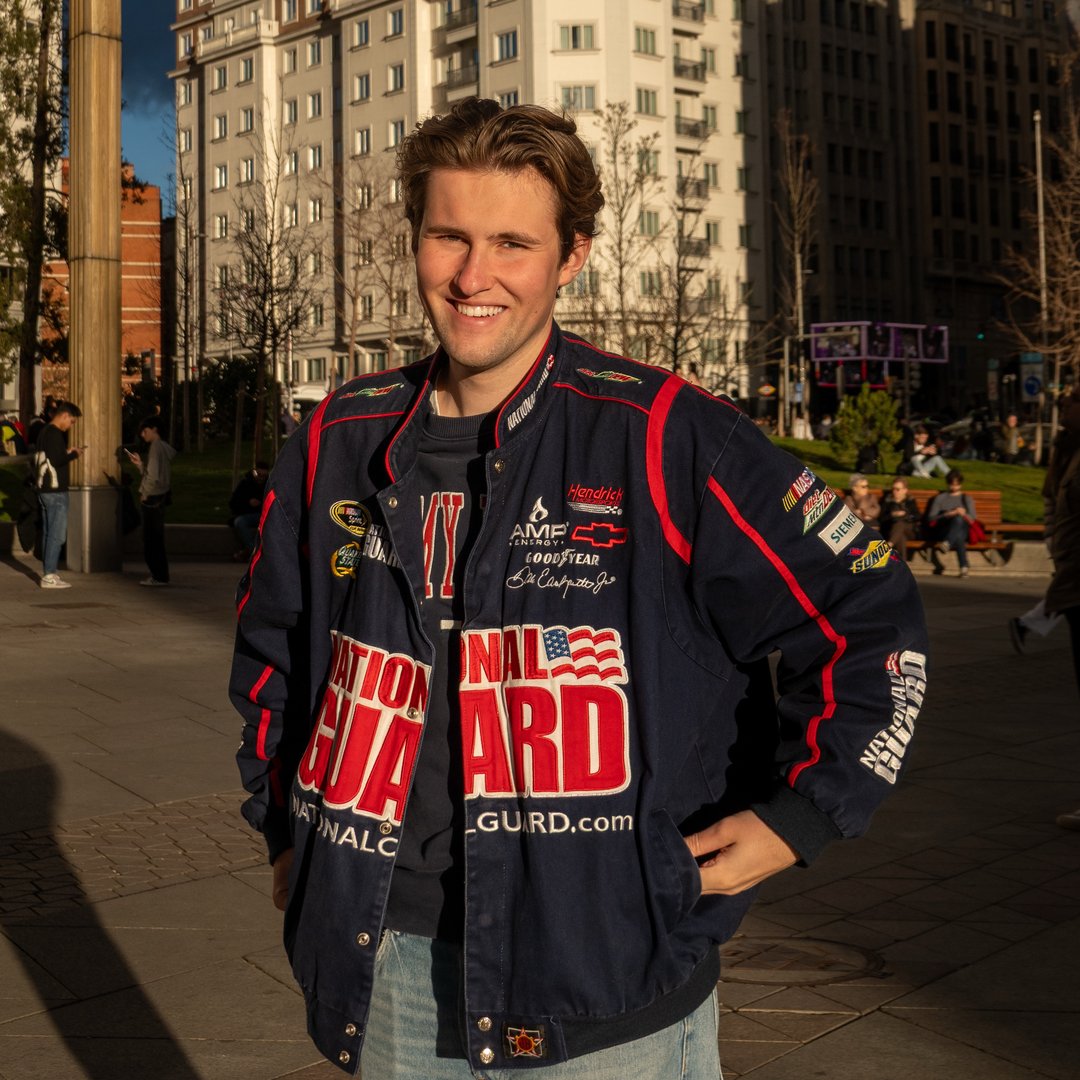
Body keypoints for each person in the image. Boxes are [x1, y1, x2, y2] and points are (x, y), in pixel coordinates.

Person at [229, 97, 928, 1079]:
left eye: (512, 244)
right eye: (449, 236)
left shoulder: (668, 435)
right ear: (415, 239)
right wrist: (285, 832)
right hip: (385, 972)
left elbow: (868, 609)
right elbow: (273, 656)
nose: (473, 276)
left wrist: (803, 814)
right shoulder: (337, 440)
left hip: (604, 991)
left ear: (572, 257)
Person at [32, 401, 84, 589]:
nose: (70, 425)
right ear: (64, 416)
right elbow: (57, 460)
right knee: (57, 535)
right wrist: (74, 454)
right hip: (55, 490)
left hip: (44, 489)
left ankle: (49, 572)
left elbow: (50, 456)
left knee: (49, 533)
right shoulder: (55, 433)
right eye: (72, 421)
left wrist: (65, 452)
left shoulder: (44, 431)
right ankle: (49, 575)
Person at [126, 415, 176, 586]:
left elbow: (153, 476)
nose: (142, 435)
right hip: (160, 496)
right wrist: (140, 465)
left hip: (153, 498)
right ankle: (160, 575)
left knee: (151, 539)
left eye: (145, 431)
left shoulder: (155, 447)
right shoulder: (162, 447)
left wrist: (145, 493)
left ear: (154, 429)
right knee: (155, 538)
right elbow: (155, 474)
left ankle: (158, 575)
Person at [926, 469, 976, 577]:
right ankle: (964, 567)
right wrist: (948, 514)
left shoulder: (966, 499)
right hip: (944, 529)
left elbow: (972, 519)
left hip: (964, 529)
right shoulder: (940, 498)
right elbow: (931, 518)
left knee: (959, 520)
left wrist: (963, 514)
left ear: (960, 484)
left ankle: (948, 543)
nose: (954, 487)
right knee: (959, 535)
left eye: (956, 485)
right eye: (952, 484)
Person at [229, 460, 270, 561]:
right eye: (259, 475)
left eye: (263, 476)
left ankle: (250, 552)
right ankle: (254, 552)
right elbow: (234, 503)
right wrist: (248, 502)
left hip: (264, 515)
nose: (261, 478)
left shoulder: (269, 485)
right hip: (247, 514)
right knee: (240, 522)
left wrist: (261, 504)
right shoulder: (245, 483)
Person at [879, 476, 921, 561]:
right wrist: (892, 514)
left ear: (905, 490)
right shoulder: (888, 501)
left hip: (910, 531)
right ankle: (903, 564)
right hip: (892, 531)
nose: (894, 491)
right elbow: (881, 518)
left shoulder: (910, 501)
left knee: (900, 523)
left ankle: (888, 545)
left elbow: (917, 516)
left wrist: (906, 515)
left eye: (897, 489)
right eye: (893, 489)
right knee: (901, 536)